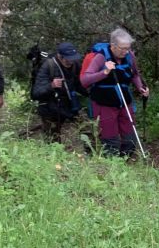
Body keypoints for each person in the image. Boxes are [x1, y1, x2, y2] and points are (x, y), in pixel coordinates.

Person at [80, 28, 149, 156]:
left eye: (128, 48)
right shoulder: (100, 57)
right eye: (123, 48)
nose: (126, 52)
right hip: (104, 103)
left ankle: (125, 161)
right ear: (113, 46)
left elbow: (134, 74)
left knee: (130, 138)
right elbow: (85, 80)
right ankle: (111, 163)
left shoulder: (129, 56)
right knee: (110, 139)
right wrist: (105, 72)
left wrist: (140, 87)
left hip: (124, 101)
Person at [32, 42, 83, 142]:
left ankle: (92, 150)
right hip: (50, 108)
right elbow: (36, 93)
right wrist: (51, 86)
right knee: (53, 140)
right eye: (68, 59)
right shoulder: (48, 66)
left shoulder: (75, 65)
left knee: (87, 129)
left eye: (73, 58)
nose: (71, 62)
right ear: (60, 56)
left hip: (70, 105)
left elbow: (79, 85)